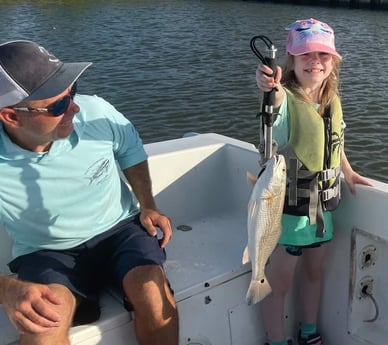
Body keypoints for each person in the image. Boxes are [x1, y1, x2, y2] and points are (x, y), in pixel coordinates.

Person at [0, 40, 178, 345]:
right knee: (42, 329)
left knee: (151, 290)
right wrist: (7, 289)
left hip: (121, 230)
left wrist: (148, 205)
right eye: (57, 105)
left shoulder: (97, 112)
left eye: (73, 91)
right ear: (12, 117)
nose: (75, 107)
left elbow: (130, 152)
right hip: (46, 250)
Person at [255, 18, 374, 345]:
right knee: (278, 285)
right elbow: (273, 98)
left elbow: (335, 142)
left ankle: (308, 332)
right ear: (290, 60)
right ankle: (276, 341)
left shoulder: (331, 99)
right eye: (305, 54)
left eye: (323, 55)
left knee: (314, 274)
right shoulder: (286, 100)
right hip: (291, 212)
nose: (315, 61)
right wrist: (269, 86)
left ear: (333, 62)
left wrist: (347, 172)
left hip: (324, 210)